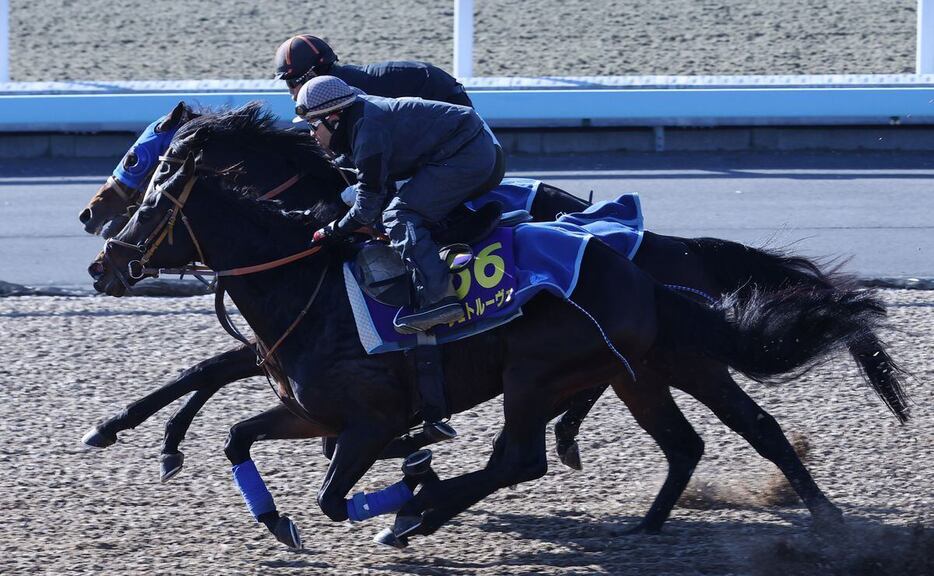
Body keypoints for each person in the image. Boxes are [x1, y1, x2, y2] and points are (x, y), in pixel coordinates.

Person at [296, 76, 502, 440]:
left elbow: (368, 206)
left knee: (398, 215)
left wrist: (331, 232)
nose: (312, 134)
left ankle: (441, 298)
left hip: (469, 154)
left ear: (333, 117)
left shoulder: (367, 130)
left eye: (313, 125)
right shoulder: (356, 122)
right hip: (460, 147)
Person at [274, 35, 472, 106]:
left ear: (312, 75)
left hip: (446, 99)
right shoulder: (339, 84)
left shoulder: (341, 92)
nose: (291, 94)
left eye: (292, 83)